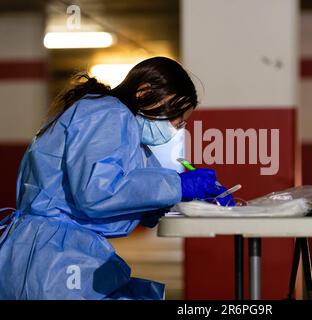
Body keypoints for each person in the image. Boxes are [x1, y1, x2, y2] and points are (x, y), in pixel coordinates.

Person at [0, 57, 233, 300]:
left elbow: (125, 192)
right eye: (176, 116)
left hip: (52, 250)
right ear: (144, 91)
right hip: (51, 258)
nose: (176, 127)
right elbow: (97, 193)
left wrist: (178, 201)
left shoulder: (121, 126)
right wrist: (179, 185)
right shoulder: (107, 114)